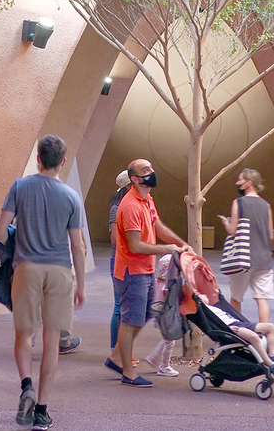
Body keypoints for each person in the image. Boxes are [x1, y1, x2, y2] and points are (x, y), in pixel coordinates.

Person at [0, 135, 86, 430]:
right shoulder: (71, 197)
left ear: (38, 159)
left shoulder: (20, 187)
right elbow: (78, 246)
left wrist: (16, 241)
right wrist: (81, 286)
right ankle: (42, 412)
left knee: (24, 335)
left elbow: (0, 232)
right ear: (62, 161)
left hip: (26, 269)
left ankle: (26, 387)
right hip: (59, 272)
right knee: (51, 342)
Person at [103, 158, 192, 388]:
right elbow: (135, 246)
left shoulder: (147, 199)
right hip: (132, 271)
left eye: (151, 168)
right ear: (134, 179)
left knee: (143, 315)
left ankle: (116, 356)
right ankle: (128, 372)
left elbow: (158, 226)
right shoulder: (130, 206)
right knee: (129, 320)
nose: (152, 172)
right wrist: (167, 248)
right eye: (146, 170)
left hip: (145, 269)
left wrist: (181, 244)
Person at [218, 168, 274, 323]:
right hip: (263, 258)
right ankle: (264, 331)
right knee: (262, 298)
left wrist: (226, 222)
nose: (237, 183)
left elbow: (233, 230)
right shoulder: (266, 205)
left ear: (249, 183)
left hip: (242, 258)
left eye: (240, 180)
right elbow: (270, 235)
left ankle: (239, 330)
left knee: (236, 297)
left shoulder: (238, 202)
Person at [199, 294, 274, 379]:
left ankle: (273, 355)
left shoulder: (212, 307)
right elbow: (212, 325)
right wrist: (227, 328)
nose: (205, 295)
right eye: (201, 295)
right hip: (231, 328)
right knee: (253, 336)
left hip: (238, 323)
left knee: (271, 327)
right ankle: (270, 363)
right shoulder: (205, 311)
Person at [108, 170, 134, 363]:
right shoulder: (117, 208)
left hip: (130, 262)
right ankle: (115, 350)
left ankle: (122, 350)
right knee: (120, 306)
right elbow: (115, 240)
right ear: (128, 187)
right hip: (119, 261)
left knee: (127, 306)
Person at [145, 254, 179, 377]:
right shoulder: (167, 287)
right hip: (165, 317)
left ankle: (154, 356)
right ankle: (164, 366)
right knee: (170, 341)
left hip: (158, 316)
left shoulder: (157, 282)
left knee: (167, 339)